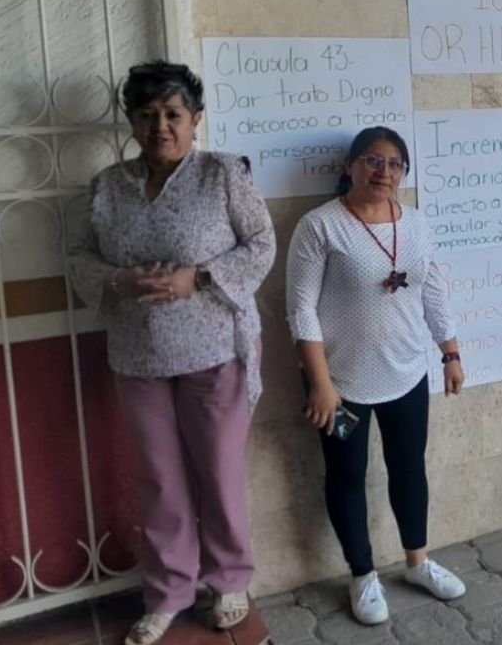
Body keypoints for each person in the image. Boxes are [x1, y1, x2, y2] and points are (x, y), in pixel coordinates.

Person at [68, 61, 275, 645]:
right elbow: (80, 258)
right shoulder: (108, 187)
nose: (161, 125)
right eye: (147, 114)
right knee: (160, 480)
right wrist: (117, 282)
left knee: (219, 472)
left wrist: (199, 278)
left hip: (215, 350)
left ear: (195, 120)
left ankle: (230, 581)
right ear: (132, 122)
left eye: (173, 114)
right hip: (138, 355)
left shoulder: (221, 175)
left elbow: (262, 244)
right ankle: (168, 593)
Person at [285, 126, 467, 626]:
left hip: (407, 375)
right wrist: (320, 383)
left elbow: (433, 291)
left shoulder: (417, 225)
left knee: (409, 467)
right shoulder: (320, 226)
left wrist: (449, 353)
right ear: (350, 167)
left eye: (394, 164)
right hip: (339, 386)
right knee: (347, 475)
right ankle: (362, 575)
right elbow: (300, 310)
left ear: (404, 174)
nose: (383, 171)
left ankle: (417, 561)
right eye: (372, 161)